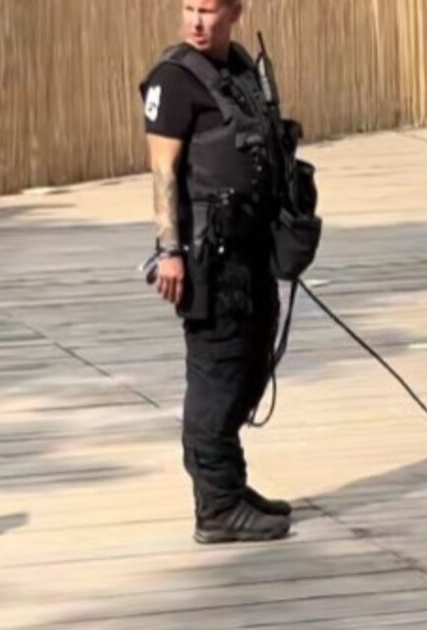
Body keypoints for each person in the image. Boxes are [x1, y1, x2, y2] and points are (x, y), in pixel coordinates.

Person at [139, 0, 292, 543]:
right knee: (217, 373)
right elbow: (163, 170)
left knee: (253, 360)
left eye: (207, 10)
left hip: (252, 250)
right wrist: (169, 250)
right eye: (188, 8)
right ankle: (217, 506)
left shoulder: (242, 68)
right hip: (208, 257)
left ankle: (230, 483)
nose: (196, 22)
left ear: (235, 11)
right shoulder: (174, 79)